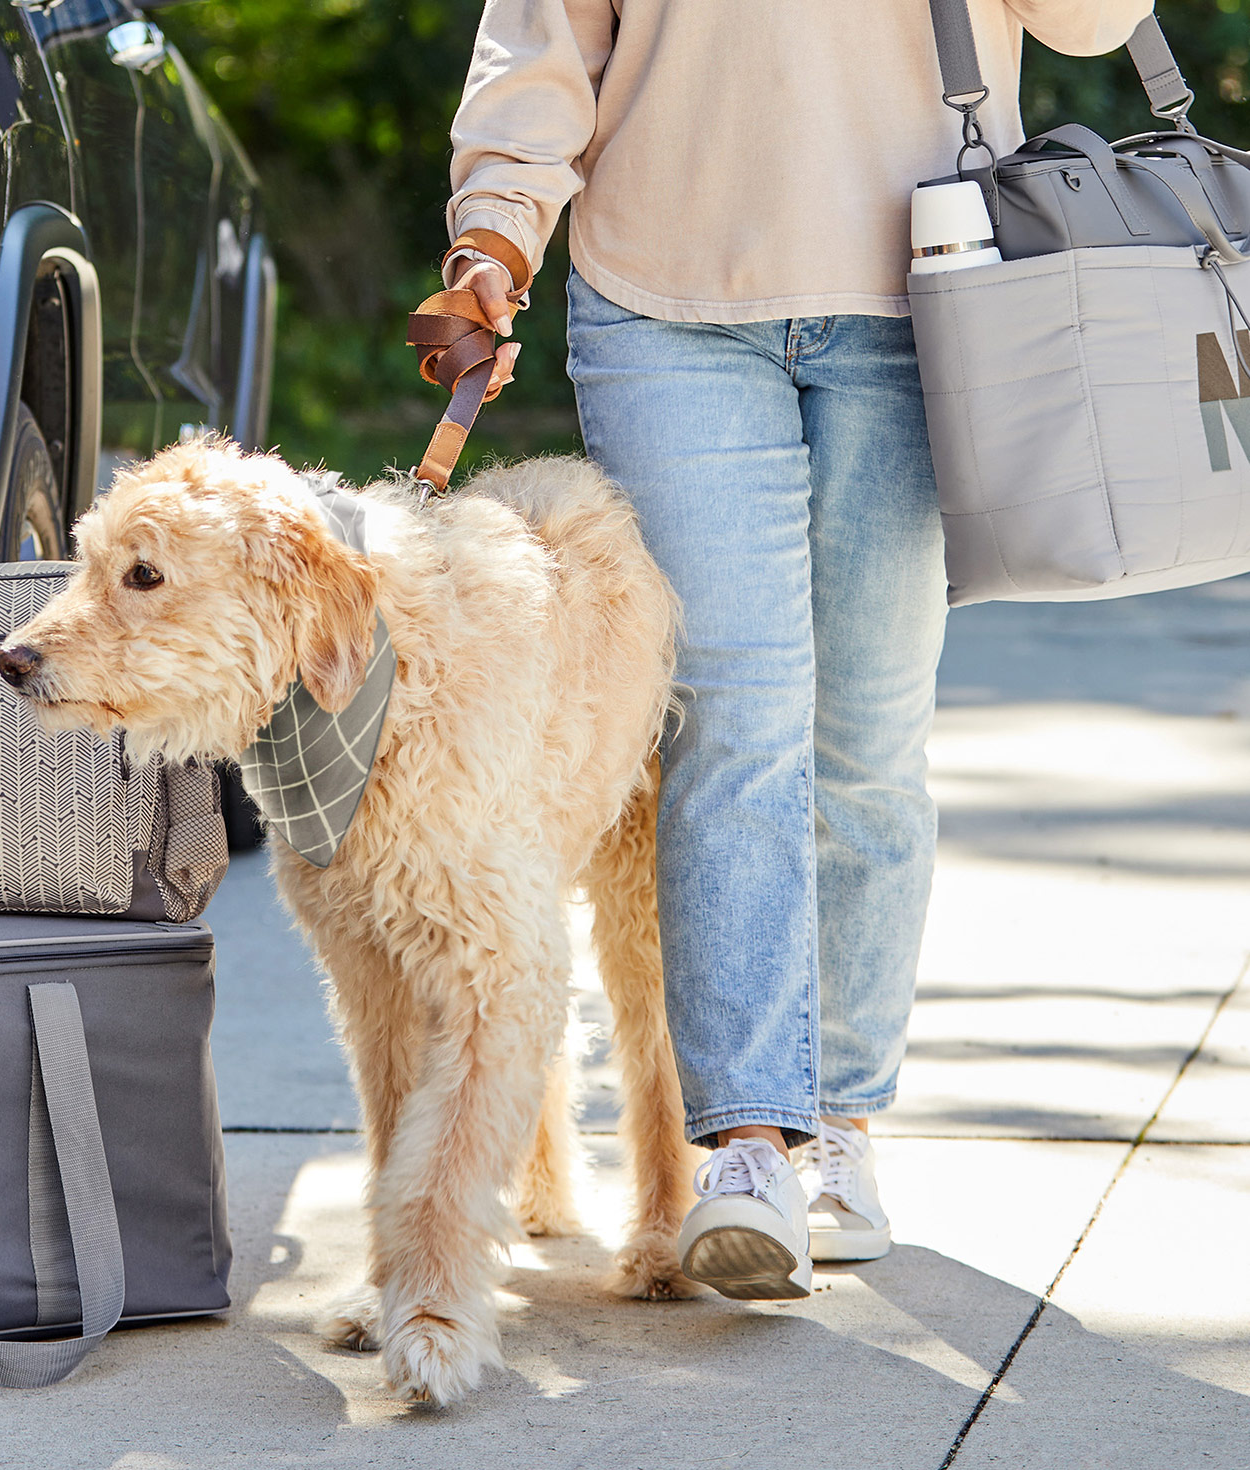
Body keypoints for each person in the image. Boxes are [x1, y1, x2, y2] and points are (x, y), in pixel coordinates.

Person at [438, 0, 1154, 1299]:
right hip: (664, 302)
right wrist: (496, 225)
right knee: (734, 718)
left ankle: (840, 1130)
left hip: (927, 293)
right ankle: (749, 1146)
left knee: (871, 738)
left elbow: (1097, 24)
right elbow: (541, 42)